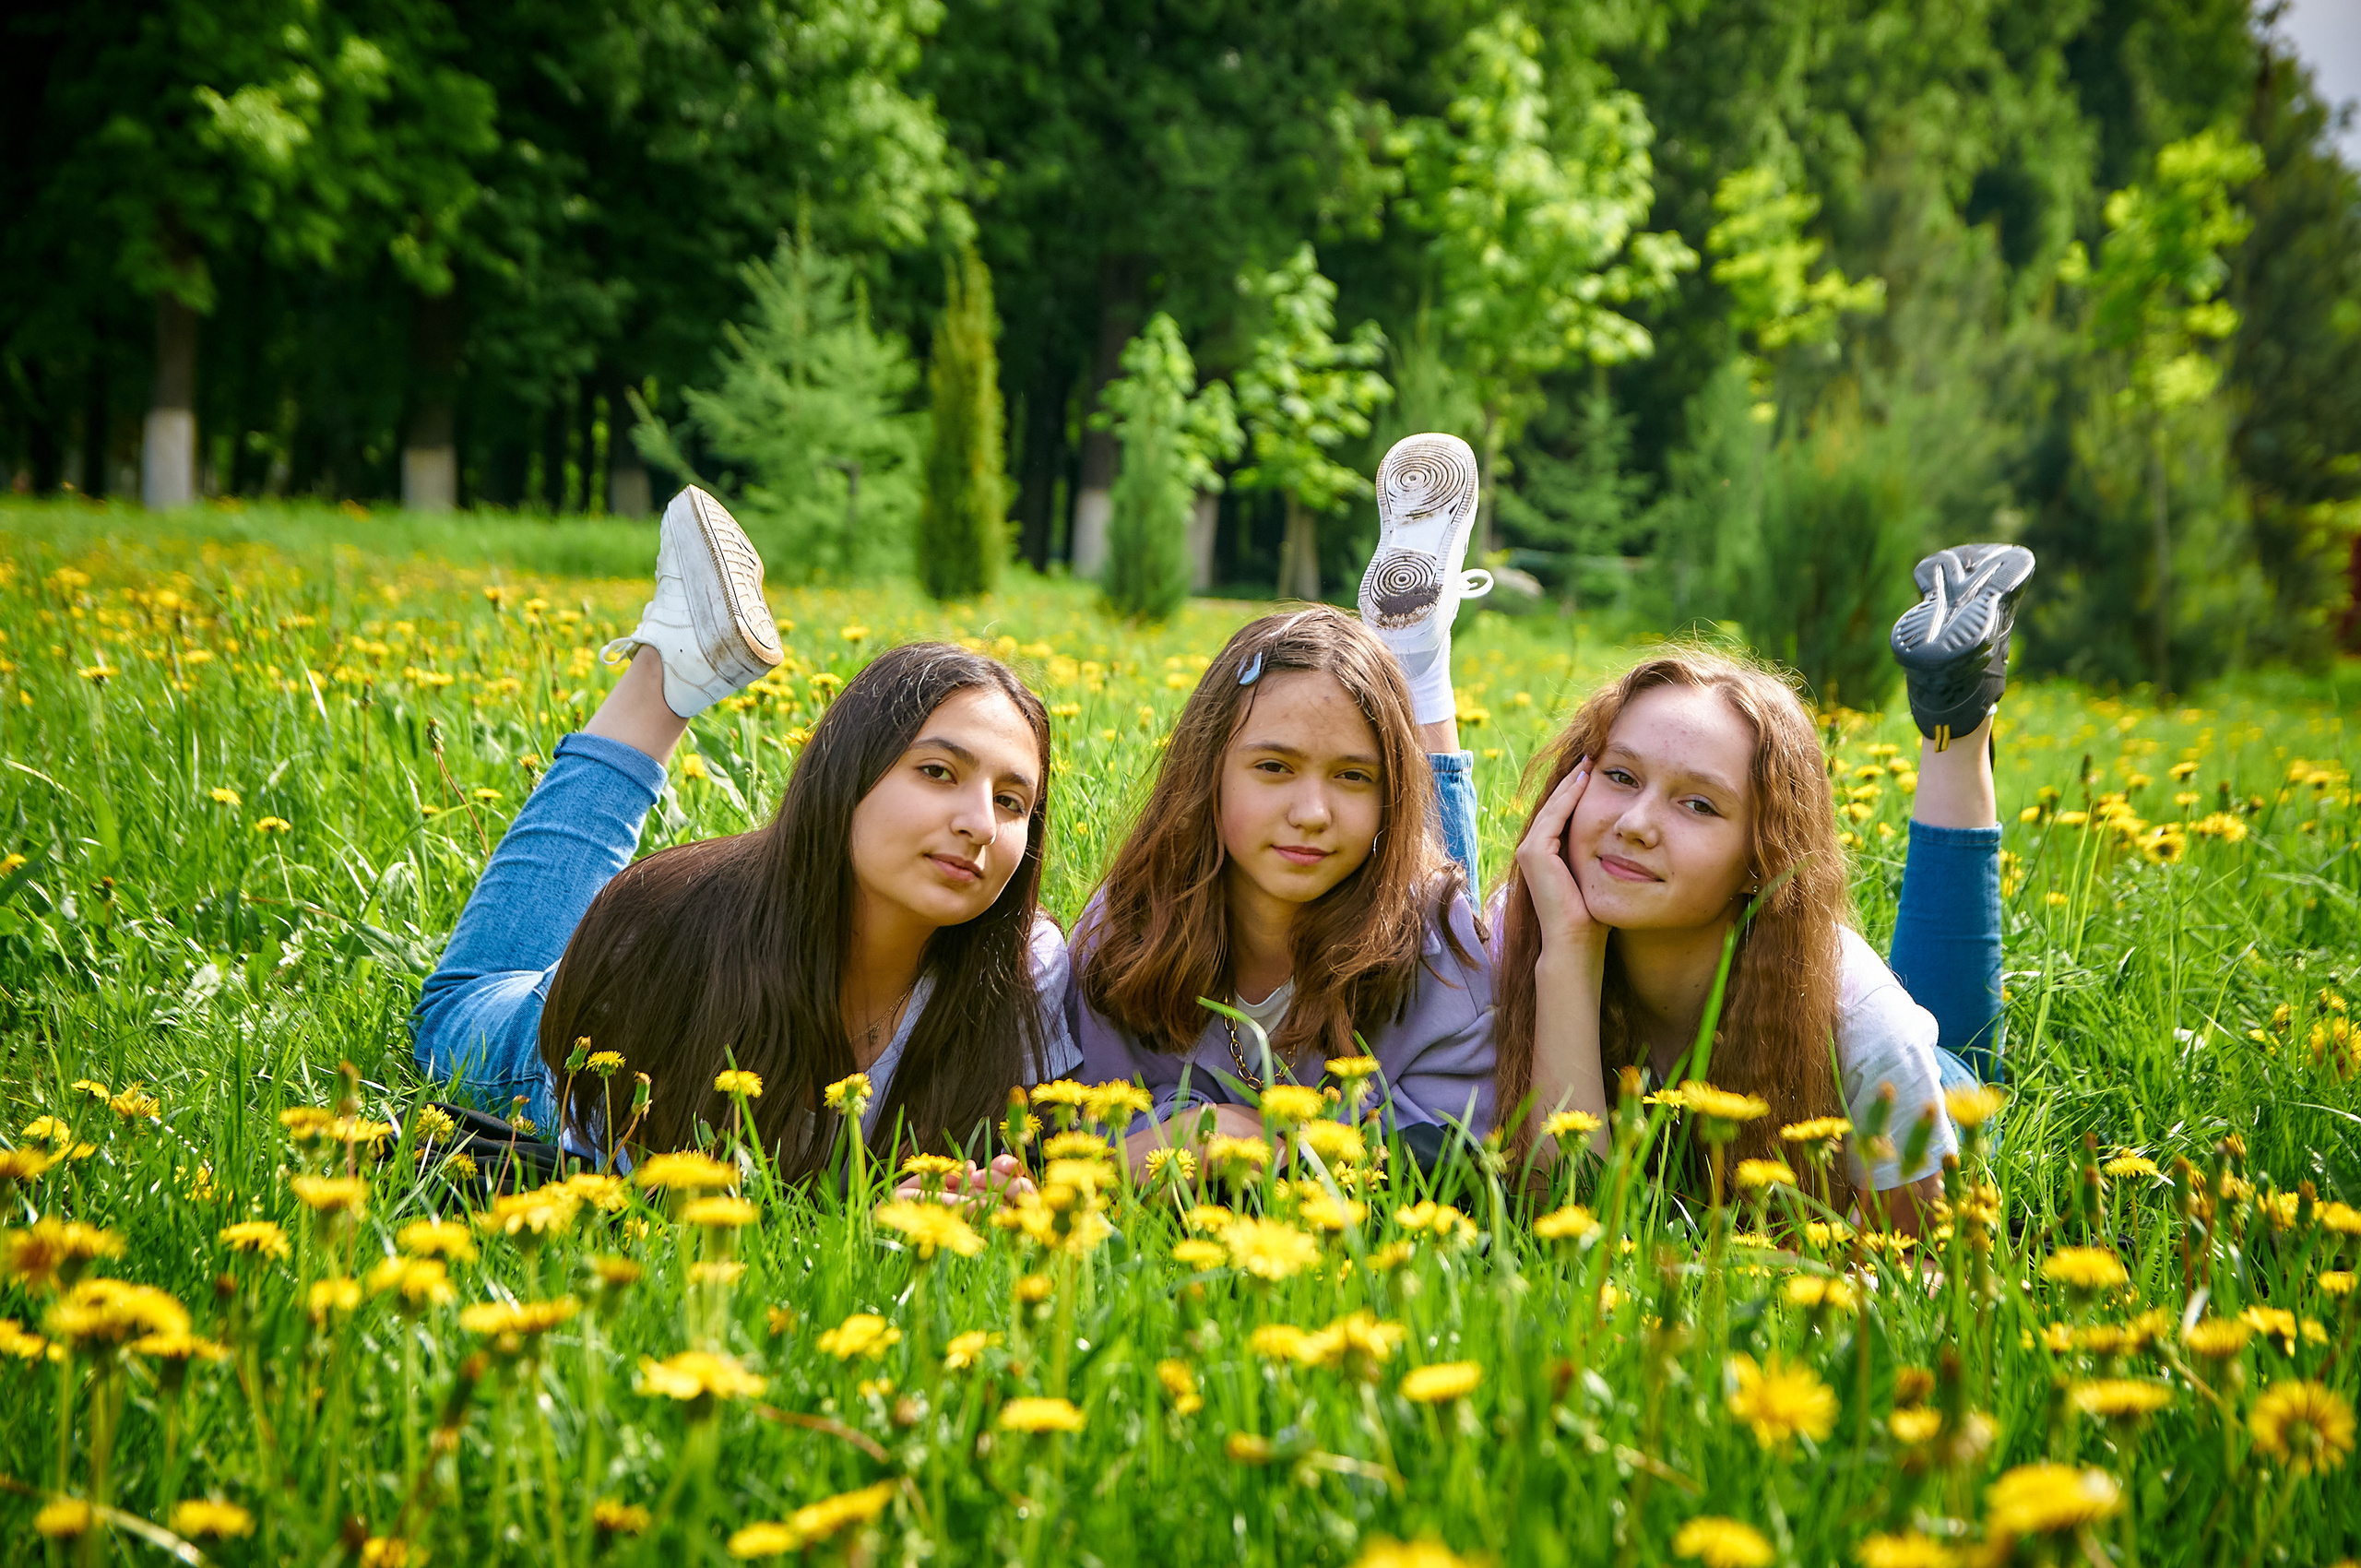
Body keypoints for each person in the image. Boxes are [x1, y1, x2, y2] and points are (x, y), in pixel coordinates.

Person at [1355, 439, 2028, 1229]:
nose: (1636, 826)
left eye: (1699, 805)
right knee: (1445, 931)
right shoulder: (1528, 921)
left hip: (1922, 1088)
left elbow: (1912, 1268)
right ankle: (1414, 663)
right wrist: (1568, 950)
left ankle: (1959, 713)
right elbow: (1562, 1215)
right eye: (1620, 776)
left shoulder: (1859, 1025)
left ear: (1762, 858)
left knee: (1970, 1067)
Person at [410, 487, 1076, 1184]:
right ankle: (664, 672)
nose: (978, 822)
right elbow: (653, 1202)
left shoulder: (1023, 969)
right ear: (845, 777)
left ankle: (684, 657)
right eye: (938, 771)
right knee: (454, 1008)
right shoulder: (668, 945)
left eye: (1011, 801)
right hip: (563, 1031)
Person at [1067, 602, 1496, 1174]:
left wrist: (1252, 1147)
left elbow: (1452, 1153)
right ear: (1207, 771)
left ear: (1388, 796)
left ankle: (1420, 659)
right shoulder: (1126, 928)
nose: (1312, 813)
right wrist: (1191, 1128)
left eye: (1353, 776)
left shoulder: (1445, 952)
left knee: (1447, 863)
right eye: (1274, 766)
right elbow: (1089, 1123)